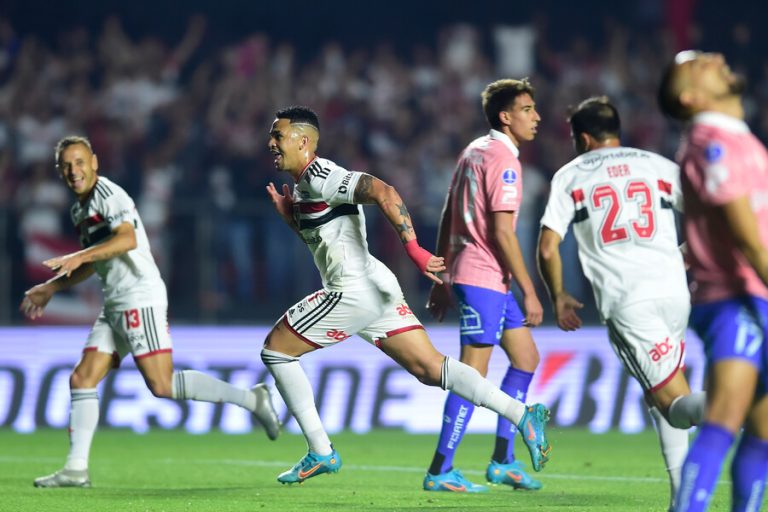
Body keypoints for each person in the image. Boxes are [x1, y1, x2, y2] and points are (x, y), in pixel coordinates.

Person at [262, 105, 552, 485]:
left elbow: (383, 191)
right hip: (374, 286)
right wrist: (292, 218)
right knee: (432, 369)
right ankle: (521, 415)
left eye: (278, 135)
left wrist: (414, 249)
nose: (271, 143)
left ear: (303, 141)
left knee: (276, 351)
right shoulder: (306, 187)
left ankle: (320, 450)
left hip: (351, 291)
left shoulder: (321, 174)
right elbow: (328, 239)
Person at [21, 135, 281, 488]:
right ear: (59, 171)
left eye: (80, 162)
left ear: (94, 162)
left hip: (138, 298)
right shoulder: (80, 209)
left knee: (161, 384)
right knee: (82, 379)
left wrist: (79, 255)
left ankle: (253, 399)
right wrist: (52, 287)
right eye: (66, 165)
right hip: (114, 302)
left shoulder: (109, 196)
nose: (74, 170)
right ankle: (76, 469)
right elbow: (98, 259)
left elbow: (126, 239)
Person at [537, 96, 706, 511]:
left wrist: (558, 295)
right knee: (660, 396)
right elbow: (708, 216)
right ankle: (681, 500)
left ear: (583, 138)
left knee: (675, 404)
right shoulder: (657, 164)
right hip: (673, 291)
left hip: (630, 300)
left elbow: (546, 248)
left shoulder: (571, 174)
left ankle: (743, 398)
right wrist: (685, 254)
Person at [422, 78, 545, 493]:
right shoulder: (504, 160)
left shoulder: (473, 150)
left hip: (481, 274)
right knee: (472, 373)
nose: (536, 117)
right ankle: (441, 468)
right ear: (505, 117)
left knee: (526, 356)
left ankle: (502, 461)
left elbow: (446, 212)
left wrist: (440, 274)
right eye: (527, 109)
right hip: (483, 276)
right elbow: (504, 232)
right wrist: (529, 289)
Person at [658, 50, 768, 512]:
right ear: (691, 96)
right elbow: (746, 235)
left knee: (763, 433)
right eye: (697, 63)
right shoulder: (709, 140)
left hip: (756, 294)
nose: (717, 58)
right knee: (723, 419)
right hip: (734, 298)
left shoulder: (739, 137)